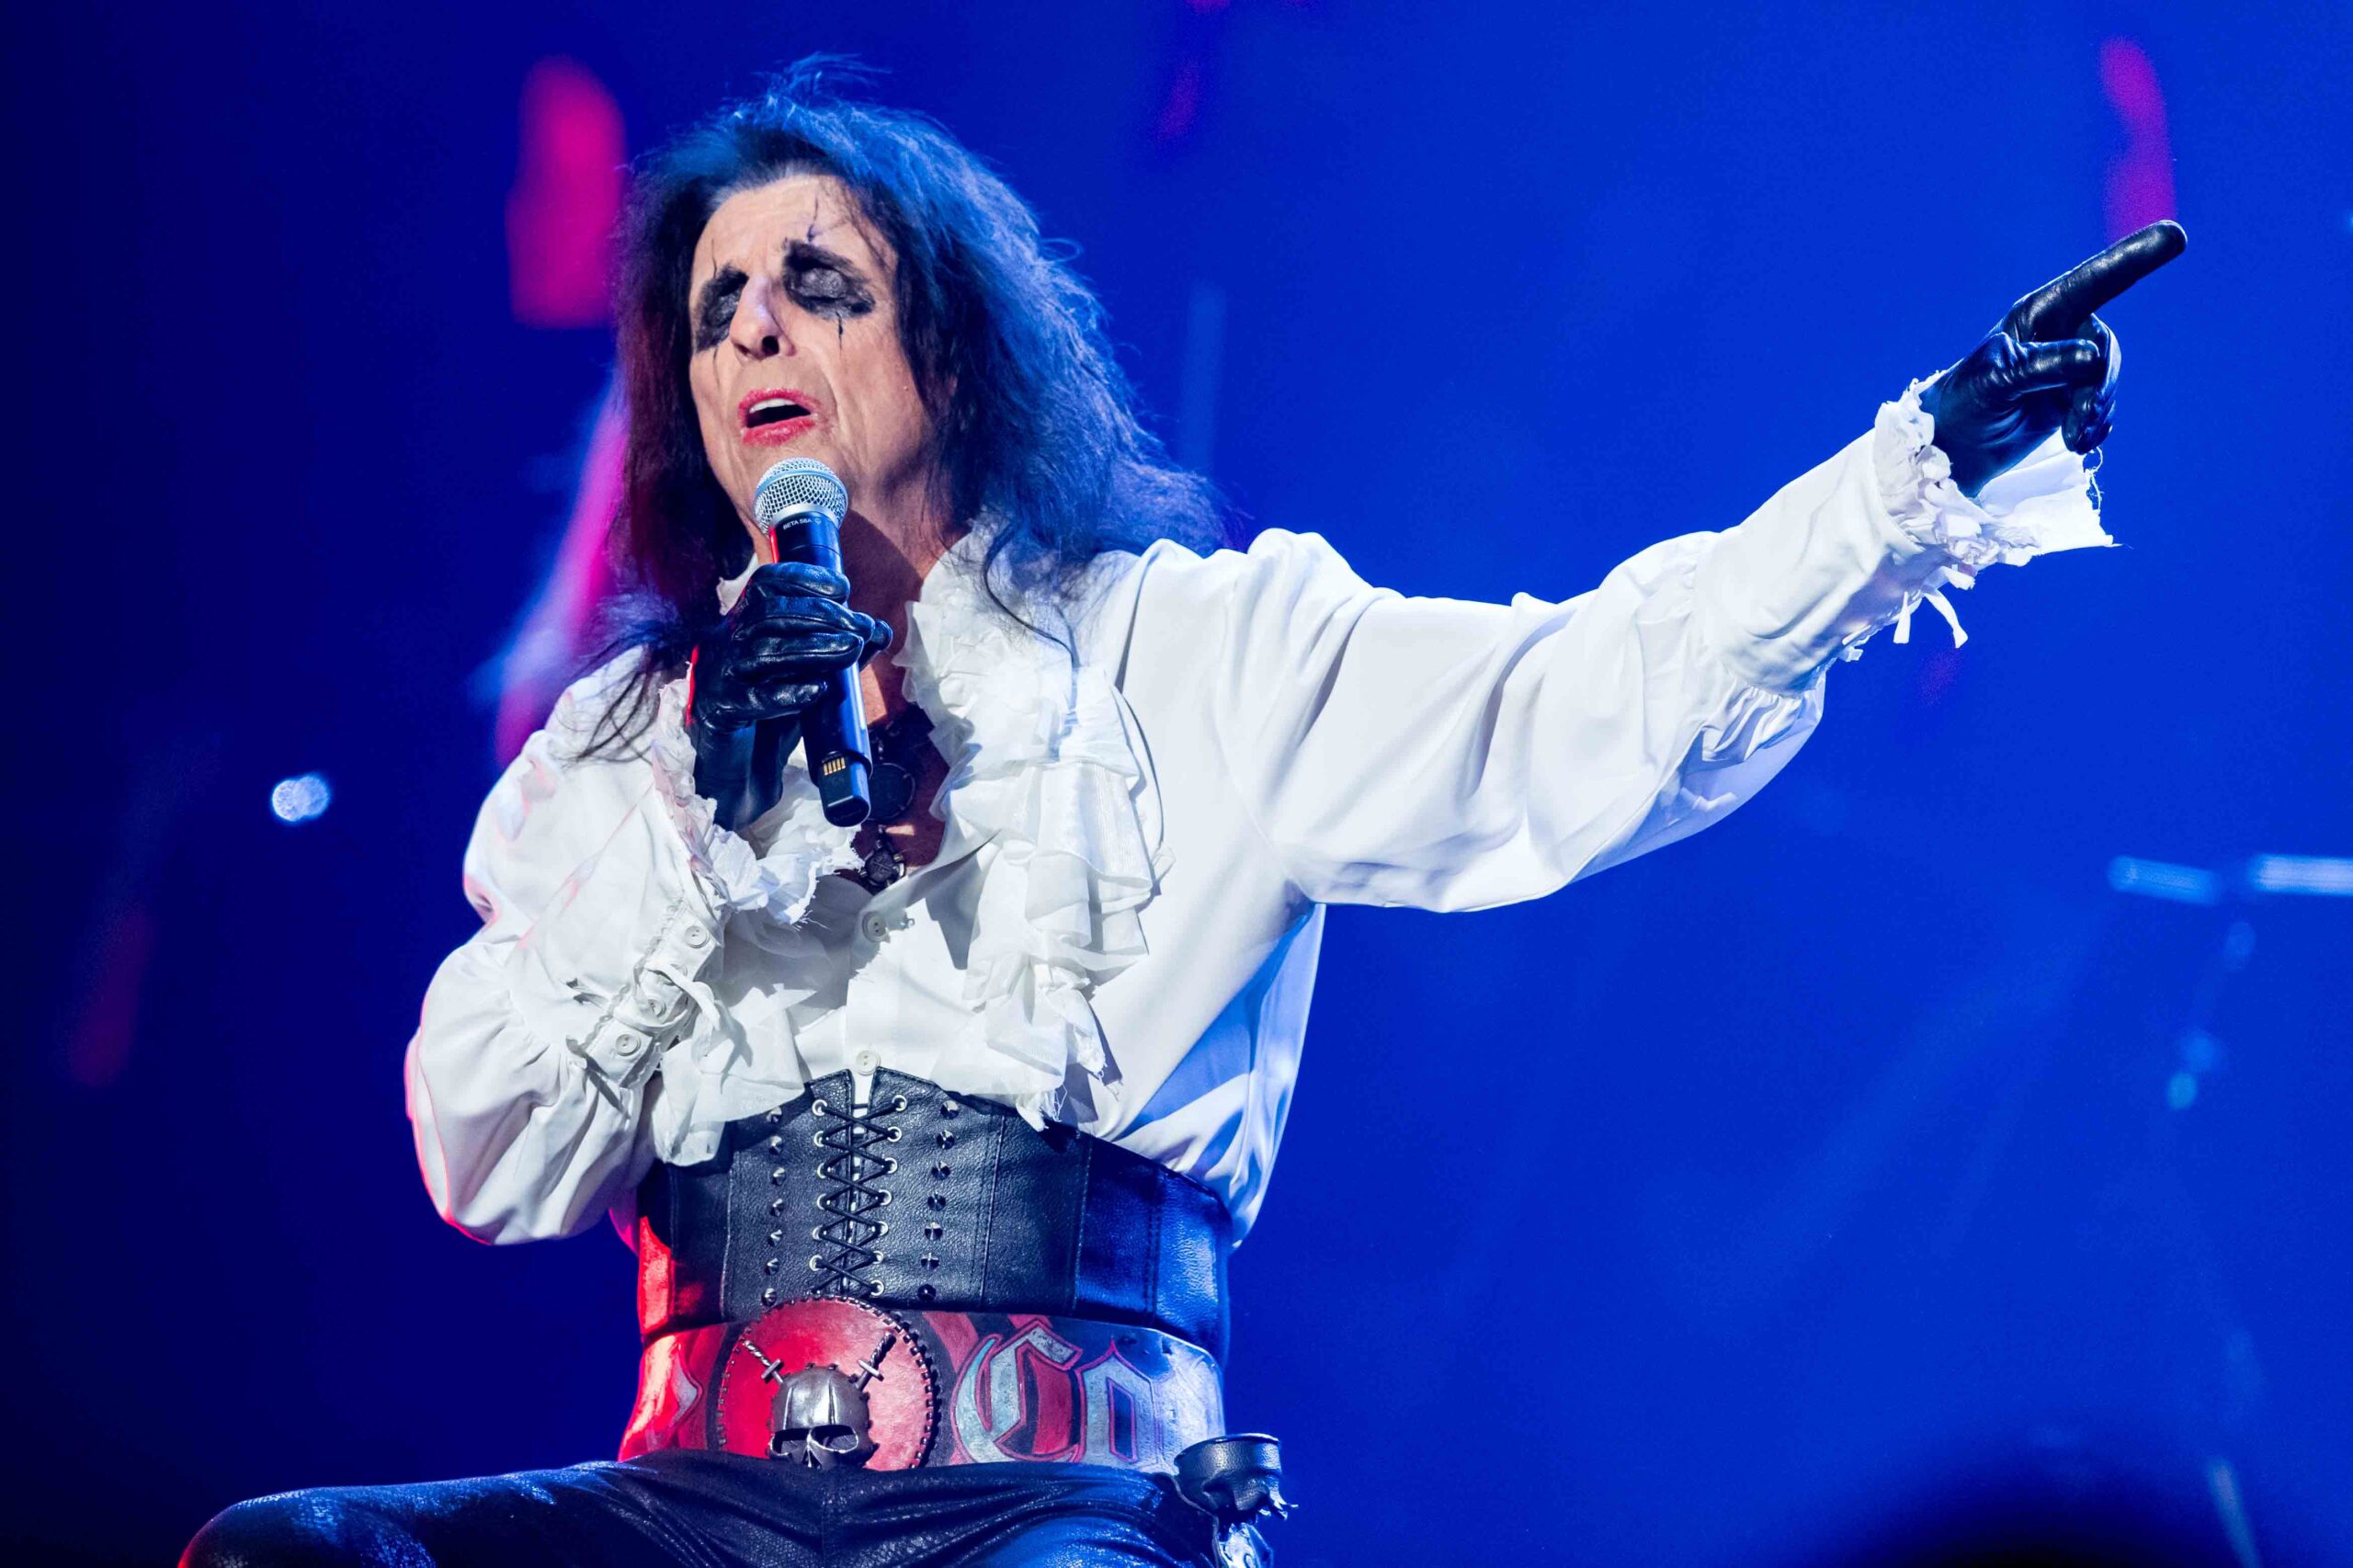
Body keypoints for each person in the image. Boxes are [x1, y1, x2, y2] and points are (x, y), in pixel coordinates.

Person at [185, 60, 2182, 1568]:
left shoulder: (1193, 654)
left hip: (1060, 1499)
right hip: (690, 1498)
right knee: (290, 1553)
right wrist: (708, 850)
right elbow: (483, 1159)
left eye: (815, 286)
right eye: (713, 314)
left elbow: (1574, 703)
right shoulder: (630, 746)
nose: (755, 337)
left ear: (950, 344)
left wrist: (1907, 479)